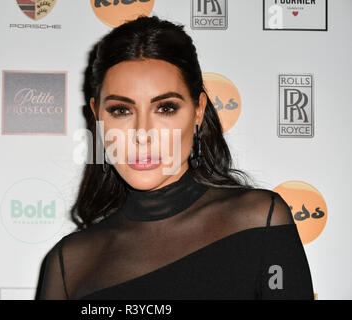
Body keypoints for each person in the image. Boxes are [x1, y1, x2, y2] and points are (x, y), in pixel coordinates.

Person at [36, 15, 314, 300]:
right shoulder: (69, 262)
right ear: (97, 117)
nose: (142, 134)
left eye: (165, 108)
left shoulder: (258, 221)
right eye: (121, 110)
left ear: (197, 110)